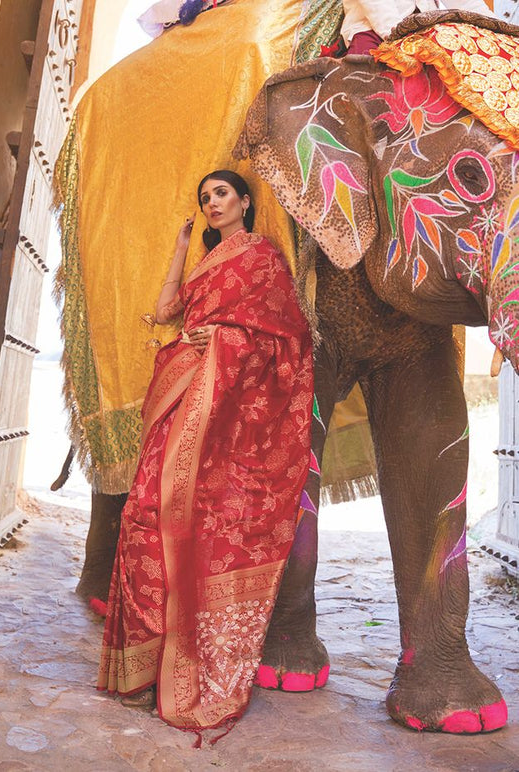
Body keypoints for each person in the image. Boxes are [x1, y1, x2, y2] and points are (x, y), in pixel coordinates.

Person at [96, 170, 313, 740]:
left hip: (224, 408)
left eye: (221, 194)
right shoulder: (206, 263)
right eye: (205, 198)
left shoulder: (262, 258)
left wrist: (219, 340)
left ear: (244, 200)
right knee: (145, 512)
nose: (213, 203)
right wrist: (179, 248)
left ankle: (189, 668)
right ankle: (145, 667)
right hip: (181, 394)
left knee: (194, 523)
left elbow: (285, 339)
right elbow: (167, 309)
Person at [341, 0, 496, 55]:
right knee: (364, 81)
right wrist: (400, 38)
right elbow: (378, 7)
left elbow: (467, 3)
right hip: (373, 27)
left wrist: (498, 28)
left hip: (425, 29)